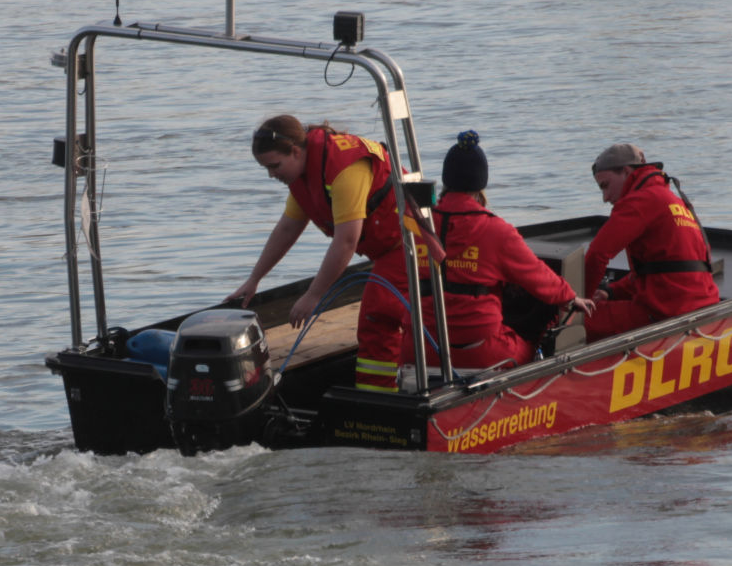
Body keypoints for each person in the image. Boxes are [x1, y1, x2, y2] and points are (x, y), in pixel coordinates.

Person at [231, 114, 418, 392]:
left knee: (379, 314)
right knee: (386, 312)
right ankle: (382, 388)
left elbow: (346, 241)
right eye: (266, 169)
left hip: (410, 241)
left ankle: (380, 396)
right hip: (385, 248)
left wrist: (313, 295)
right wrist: (254, 279)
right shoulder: (304, 173)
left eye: (274, 166)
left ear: (295, 151)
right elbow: (287, 229)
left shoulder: (344, 170)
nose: (271, 175)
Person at [416, 131, 583, 371]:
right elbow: (537, 276)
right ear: (481, 183)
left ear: (446, 179)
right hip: (480, 352)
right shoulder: (496, 231)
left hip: (421, 349)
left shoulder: (418, 227)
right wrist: (570, 297)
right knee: (534, 348)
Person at [580, 141, 719, 341]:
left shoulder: (639, 200)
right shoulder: (674, 201)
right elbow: (663, 271)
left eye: (605, 185)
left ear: (626, 172)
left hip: (666, 313)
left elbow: (597, 255)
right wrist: (611, 292)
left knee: (567, 321)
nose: (605, 197)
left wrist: (577, 301)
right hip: (704, 306)